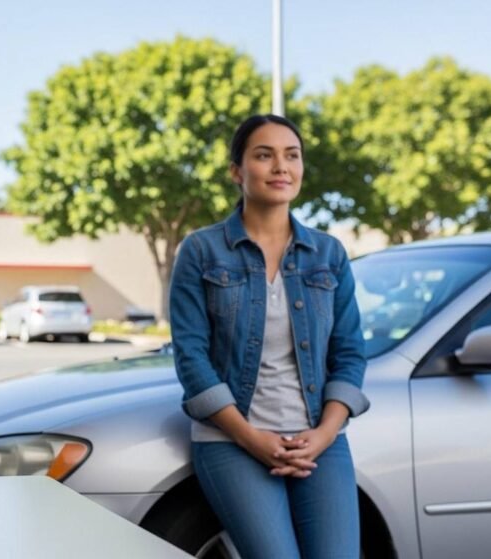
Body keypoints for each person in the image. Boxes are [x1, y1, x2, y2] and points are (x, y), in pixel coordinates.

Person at [169, 114, 368, 558]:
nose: (281, 166)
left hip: (318, 440)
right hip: (233, 441)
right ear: (237, 171)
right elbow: (191, 358)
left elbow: (351, 353)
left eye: (291, 155)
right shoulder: (201, 251)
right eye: (264, 155)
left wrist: (324, 433)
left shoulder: (329, 253)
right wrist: (250, 437)